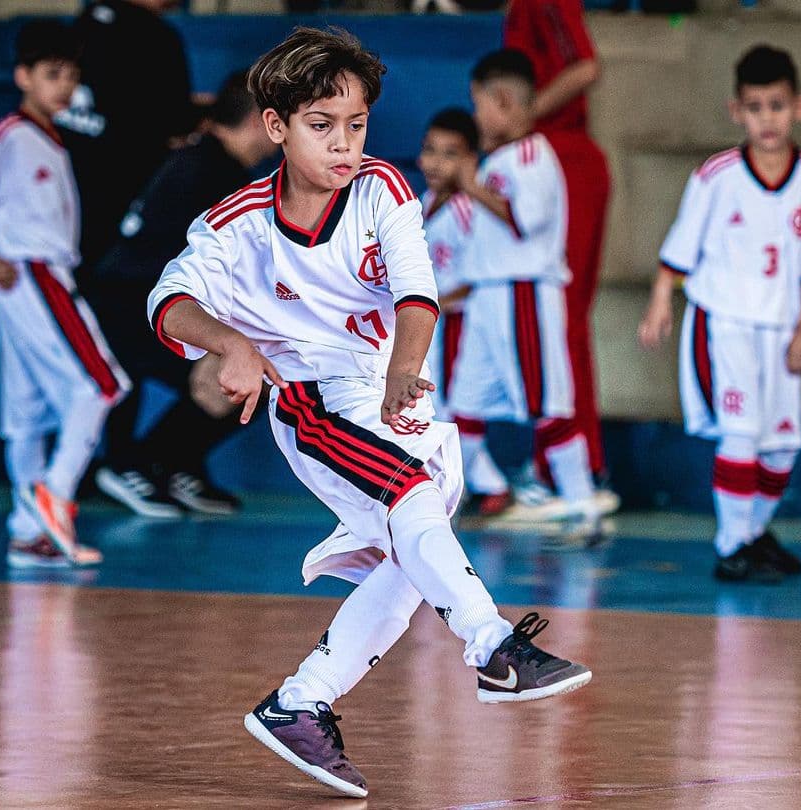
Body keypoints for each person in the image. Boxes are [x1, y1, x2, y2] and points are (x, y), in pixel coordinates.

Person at [148, 28, 591, 799]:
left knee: (413, 557)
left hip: (391, 388)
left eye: (355, 124)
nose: (344, 143)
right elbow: (168, 302)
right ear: (277, 126)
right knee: (411, 505)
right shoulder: (236, 224)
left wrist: (402, 371)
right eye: (323, 126)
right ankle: (493, 647)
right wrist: (230, 346)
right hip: (311, 397)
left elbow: (418, 294)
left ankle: (300, 702)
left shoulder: (383, 187)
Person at [638, 45, 801, 583]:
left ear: (799, 106)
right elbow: (680, 245)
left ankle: (753, 531)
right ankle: (732, 544)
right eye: (755, 107)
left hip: (781, 327)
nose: (766, 118)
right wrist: (661, 299)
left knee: (782, 445)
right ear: (736, 111)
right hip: (723, 320)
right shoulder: (716, 175)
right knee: (741, 433)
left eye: (777, 105)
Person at [0, 21, 130, 568]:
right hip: (34, 274)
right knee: (103, 384)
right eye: (52, 74)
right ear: (22, 76)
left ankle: (29, 530)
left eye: (71, 76)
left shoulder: (50, 139)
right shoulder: (8, 134)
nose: (63, 86)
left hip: (35, 276)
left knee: (26, 411)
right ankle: (54, 492)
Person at [90, 71, 279, 517]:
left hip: (141, 305)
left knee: (260, 371)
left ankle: (173, 465)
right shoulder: (213, 173)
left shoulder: (209, 161)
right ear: (257, 119)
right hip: (130, 312)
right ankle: (132, 464)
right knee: (243, 373)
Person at [450, 49, 601, 539]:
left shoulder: (533, 155)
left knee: (544, 405)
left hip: (522, 295)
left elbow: (523, 219)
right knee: (464, 402)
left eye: (480, 104)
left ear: (502, 102)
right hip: (488, 297)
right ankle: (453, 496)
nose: (476, 116)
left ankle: (584, 508)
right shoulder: (503, 157)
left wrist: (472, 188)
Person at [503, 0, 617, 516]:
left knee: (558, 321)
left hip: (564, 161)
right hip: (559, 160)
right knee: (562, 323)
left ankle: (563, 471)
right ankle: (577, 464)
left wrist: (525, 114)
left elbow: (585, 66)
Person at [417, 107, 512, 517]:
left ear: (472, 160)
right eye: (429, 151)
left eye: (450, 154)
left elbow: (479, 275)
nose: (436, 163)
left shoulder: (470, 212)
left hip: (457, 321)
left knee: (454, 409)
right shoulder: (423, 201)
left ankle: (487, 485)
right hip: (430, 323)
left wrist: (432, 302)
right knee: (437, 410)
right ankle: (474, 485)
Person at [56, 0, 194, 272]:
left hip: (59, 201)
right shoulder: (157, 37)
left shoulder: (85, 21)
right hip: (118, 208)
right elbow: (178, 128)